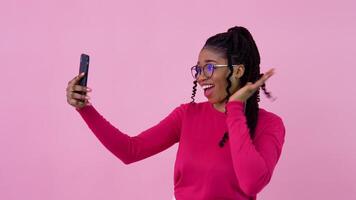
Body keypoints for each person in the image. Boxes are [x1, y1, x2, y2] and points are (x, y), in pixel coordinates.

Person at [66, 26, 286, 200]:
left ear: (237, 70)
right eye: (198, 69)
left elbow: (251, 182)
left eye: (209, 67)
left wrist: (235, 109)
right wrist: (84, 108)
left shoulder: (269, 125)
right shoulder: (187, 115)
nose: (200, 77)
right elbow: (130, 150)